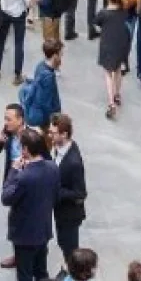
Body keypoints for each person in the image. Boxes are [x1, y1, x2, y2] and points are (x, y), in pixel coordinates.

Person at [0, 127, 59, 281]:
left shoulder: (24, 176)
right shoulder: (52, 168)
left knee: (25, 277)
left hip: (25, 236)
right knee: (41, 271)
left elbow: (6, 198)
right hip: (43, 230)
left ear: (25, 150)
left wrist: (14, 171)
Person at [48, 114, 86, 271]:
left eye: (53, 133)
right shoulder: (60, 148)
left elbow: (80, 193)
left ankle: (74, 277)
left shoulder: (73, 162)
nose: (50, 135)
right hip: (60, 211)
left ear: (64, 134)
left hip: (69, 215)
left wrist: (57, 191)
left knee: (70, 250)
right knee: (63, 244)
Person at [20, 39, 63, 128]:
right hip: (45, 117)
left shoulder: (40, 65)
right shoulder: (49, 77)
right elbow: (45, 102)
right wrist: (54, 119)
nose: (61, 58)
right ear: (55, 56)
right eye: (60, 55)